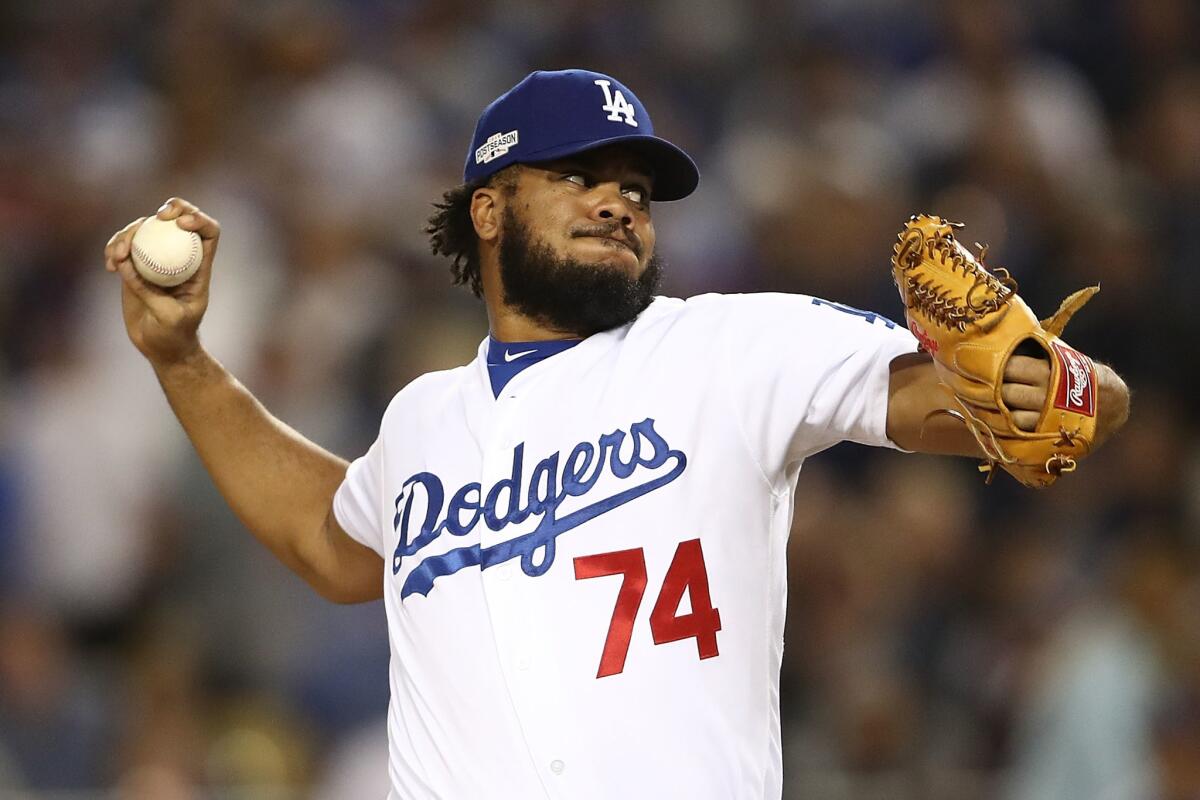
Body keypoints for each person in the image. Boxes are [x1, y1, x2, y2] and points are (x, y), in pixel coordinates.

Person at [103, 69, 1130, 799]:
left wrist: (1039, 377)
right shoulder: (421, 420)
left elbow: (1060, 412)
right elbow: (329, 541)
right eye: (577, 175)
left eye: (635, 188)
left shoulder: (731, 344)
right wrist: (183, 361)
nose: (617, 202)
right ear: (490, 211)